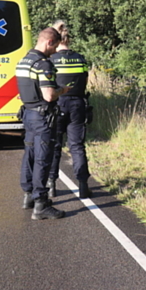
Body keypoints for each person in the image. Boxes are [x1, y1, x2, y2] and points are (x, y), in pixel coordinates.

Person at [16, 27, 72, 220]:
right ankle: (41, 204)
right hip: (42, 118)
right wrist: (62, 90)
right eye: (54, 47)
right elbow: (48, 95)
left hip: (28, 114)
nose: (55, 51)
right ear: (49, 42)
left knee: (29, 154)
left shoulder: (24, 61)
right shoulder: (43, 64)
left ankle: (28, 195)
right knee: (43, 158)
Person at [47, 20, 92, 199]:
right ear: (69, 39)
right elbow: (85, 81)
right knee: (77, 146)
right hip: (77, 104)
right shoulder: (80, 58)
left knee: (54, 146)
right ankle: (82, 185)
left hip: (57, 105)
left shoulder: (49, 60)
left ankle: (51, 185)